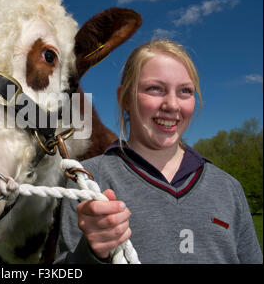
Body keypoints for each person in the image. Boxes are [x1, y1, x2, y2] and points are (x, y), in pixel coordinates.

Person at [55, 39, 263, 264]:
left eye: (185, 91)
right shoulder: (87, 178)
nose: (172, 104)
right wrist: (93, 253)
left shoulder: (228, 188)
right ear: (125, 98)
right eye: (155, 88)